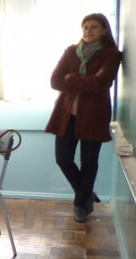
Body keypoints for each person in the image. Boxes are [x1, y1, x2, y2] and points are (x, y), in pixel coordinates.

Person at [45, 13, 122, 223]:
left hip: (94, 117)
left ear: (104, 30)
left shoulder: (111, 54)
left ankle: (80, 205)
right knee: (63, 158)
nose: (88, 31)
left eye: (94, 27)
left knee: (89, 161)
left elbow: (102, 83)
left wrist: (71, 78)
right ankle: (86, 193)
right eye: (85, 27)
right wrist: (85, 81)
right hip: (66, 115)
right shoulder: (71, 51)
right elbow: (55, 81)